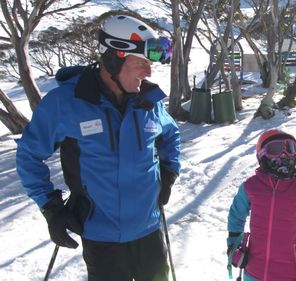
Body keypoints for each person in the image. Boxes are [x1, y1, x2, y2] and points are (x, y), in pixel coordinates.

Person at [16, 14, 180, 281]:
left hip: (149, 229)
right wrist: (50, 207)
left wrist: (169, 173)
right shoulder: (66, 103)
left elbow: (171, 135)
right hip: (101, 236)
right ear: (115, 58)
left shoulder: (149, 101)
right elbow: (29, 155)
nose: (149, 72)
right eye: (142, 63)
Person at [226, 129, 296, 281]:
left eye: (290, 148)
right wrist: (234, 246)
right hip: (254, 271)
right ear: (261, 154)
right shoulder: (251, 186)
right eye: (275, 149)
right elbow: (236, 215)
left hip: (291, 273)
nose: (284, 154)